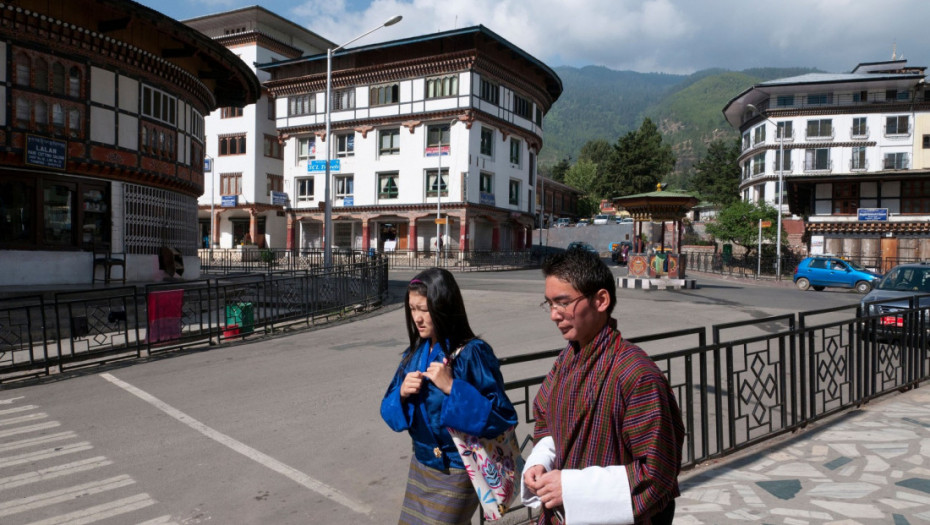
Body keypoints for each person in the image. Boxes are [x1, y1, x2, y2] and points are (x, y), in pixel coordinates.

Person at [521, 249, 685, 525]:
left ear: (601, 300)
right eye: (549, 304)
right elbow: (546, 420)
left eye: (562, 303)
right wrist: (541, 460)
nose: (554, 315)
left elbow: (657, 472)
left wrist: (572, 487)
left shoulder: (636, 374)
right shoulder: (566, 361)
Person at [381, 267, 518, 524]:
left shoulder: (471, 354)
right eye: (412, 309)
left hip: (457, 470)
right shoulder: (415, 354)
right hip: (421, 466)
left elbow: (502, 417)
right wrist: (400, 394)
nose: (417, 318)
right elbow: (388, 413)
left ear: (443, 306)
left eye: (424, 309)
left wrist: (453, 388)